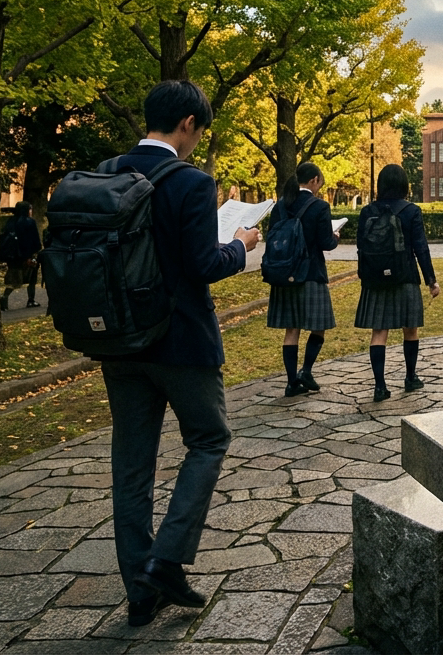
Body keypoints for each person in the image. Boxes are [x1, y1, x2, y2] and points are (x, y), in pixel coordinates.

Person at [100, 81, 260, 627]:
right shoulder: (192, 183)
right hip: (181, 342)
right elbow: (203, 266)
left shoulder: (108, 171)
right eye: (199, 131)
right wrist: (241, 245)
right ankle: (165, 561)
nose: (197, 142)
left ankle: (139, 591)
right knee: (209, 438)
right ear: (188, 123)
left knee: (131, 465)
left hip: (119, 343)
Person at [356, 164, 440, 401]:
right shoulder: (411, 211)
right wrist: (431, 280)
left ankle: (380, 386)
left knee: (379, 332)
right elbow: (421, 248)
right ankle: (411, 377)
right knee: (409, 329)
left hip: (375, 280)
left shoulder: (367, 211)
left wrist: (365, 276)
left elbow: (361, 248)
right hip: (405, 277)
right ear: (404, 185)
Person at [267, 162, 340, 396]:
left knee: (292, 330)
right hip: (311, 274)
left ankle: (291, 383)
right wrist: (335, 236)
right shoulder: (319, 206)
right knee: (319, 327)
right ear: (314, 180)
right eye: (320, 184)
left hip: (284, 272)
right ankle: (306, 370)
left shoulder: (281, 205)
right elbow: (326, 243)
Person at [0, 201, 41, 311]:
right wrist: (33, 253)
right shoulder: (29, 222)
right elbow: (34, 240)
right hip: (26, 255)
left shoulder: (11, 221)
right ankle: (31, 299)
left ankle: (4, 298)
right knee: (31, 277)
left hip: (13, 256)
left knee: (14, 279)